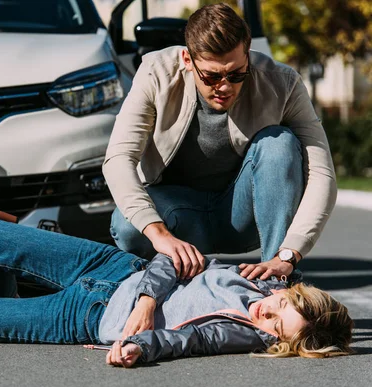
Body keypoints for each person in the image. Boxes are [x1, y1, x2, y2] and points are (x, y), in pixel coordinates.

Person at [0, 220, 353, 368]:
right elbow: (173, 258)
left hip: (84, 316)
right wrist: (148, 302)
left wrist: (137, 347)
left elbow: (187, 341)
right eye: (281, 308)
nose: (265, 315)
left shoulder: (244, 334)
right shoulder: (258, 278)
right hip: (111, 267)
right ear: (292, 292)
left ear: (278, 344)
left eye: (275, 328)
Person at [102, 3, 337, 282]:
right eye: (212, 76)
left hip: (242, 218)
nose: (225, 86)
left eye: (236, 74)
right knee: (127, 224)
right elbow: (118, 159)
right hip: (180, 217)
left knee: (279, 143)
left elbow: (322, 173)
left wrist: (288, 255)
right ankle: (154, 284)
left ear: (247, 56)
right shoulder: (157, 73)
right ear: (188, 60)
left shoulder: (282, 83)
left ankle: (275, 285)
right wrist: (159, 234)